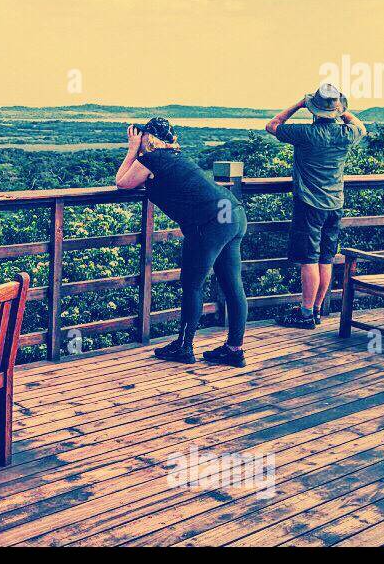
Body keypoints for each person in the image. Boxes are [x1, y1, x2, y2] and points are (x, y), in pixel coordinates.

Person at [115, 117, 248, 367]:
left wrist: (132, 150)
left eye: (141, 136)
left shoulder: (151, 159)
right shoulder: (176, 156)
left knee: (192, 285)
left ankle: (184, 347)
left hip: (210, 221)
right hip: (231, 211)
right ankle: (234, 349)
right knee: (232, 284)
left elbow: (122, 183)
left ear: (148, 139)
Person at [265, 83, 367, 329]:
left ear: (313, 109)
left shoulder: (305, 134)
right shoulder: (346, 133)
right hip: (335, 204)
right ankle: (317, 310)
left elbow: (272, 125)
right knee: (326, 258)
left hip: (309, 204)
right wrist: (341, 111)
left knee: (309, 259)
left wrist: (300, 104)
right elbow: (361, 127)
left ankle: (306, 313)